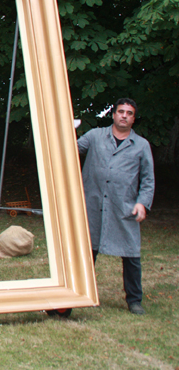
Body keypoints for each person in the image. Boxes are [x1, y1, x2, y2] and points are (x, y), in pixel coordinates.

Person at [78, 98, 155, 315]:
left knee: (131, 254)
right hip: (92, 205)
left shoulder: (141, 145)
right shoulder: (94, 136)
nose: (124, 115)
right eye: (120, 111)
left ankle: (134, 300)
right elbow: (70, 149)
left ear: (133, 118)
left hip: (124, 207)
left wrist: (142, 203)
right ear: (113, 114)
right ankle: (78, 291)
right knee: (86, 251)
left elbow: (148, 179)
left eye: (129, 113)